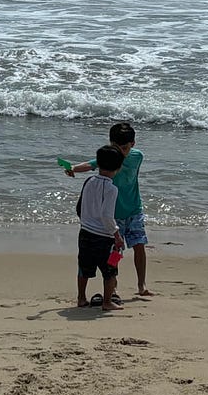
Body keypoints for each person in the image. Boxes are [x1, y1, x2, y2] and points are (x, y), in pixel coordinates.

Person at [65, 121, 152, 298]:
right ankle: (113, 286)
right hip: (114, 214)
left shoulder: (138, 156)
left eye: (125, 147)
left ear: (133, 145)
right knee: (115, 253)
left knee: (139, 246)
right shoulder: (109, 158)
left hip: (134, 209)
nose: (120, 151)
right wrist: (73, 168)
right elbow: (91, 164)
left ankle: (141, 284)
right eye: (115, 147)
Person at [75, 145, 126, 311]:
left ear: (98, 164)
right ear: (118, 168)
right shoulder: (112, 189)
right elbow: (107, 216)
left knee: (84, 267)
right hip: (104, 237)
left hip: (85, 232)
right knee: (110, 270)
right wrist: (117, 235)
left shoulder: (89, 181)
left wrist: (85, 222)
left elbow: (79, 206)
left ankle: (81, 298)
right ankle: (107, 301)